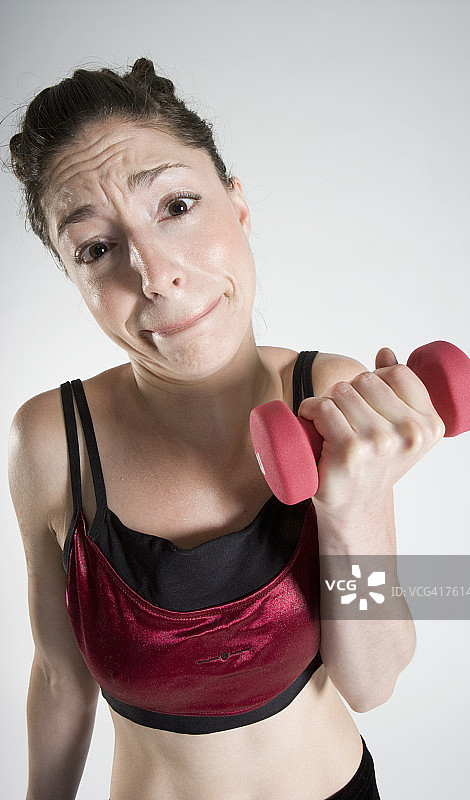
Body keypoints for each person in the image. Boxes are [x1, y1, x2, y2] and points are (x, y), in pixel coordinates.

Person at [7, 57, 442, 800]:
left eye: (176, 206)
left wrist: (355, 507)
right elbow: (58, 676)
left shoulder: (330, 396)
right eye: (97, 249)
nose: (155, 275)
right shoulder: (52, 440)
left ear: (237, 205)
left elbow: (373, 682)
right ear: (73, 278)